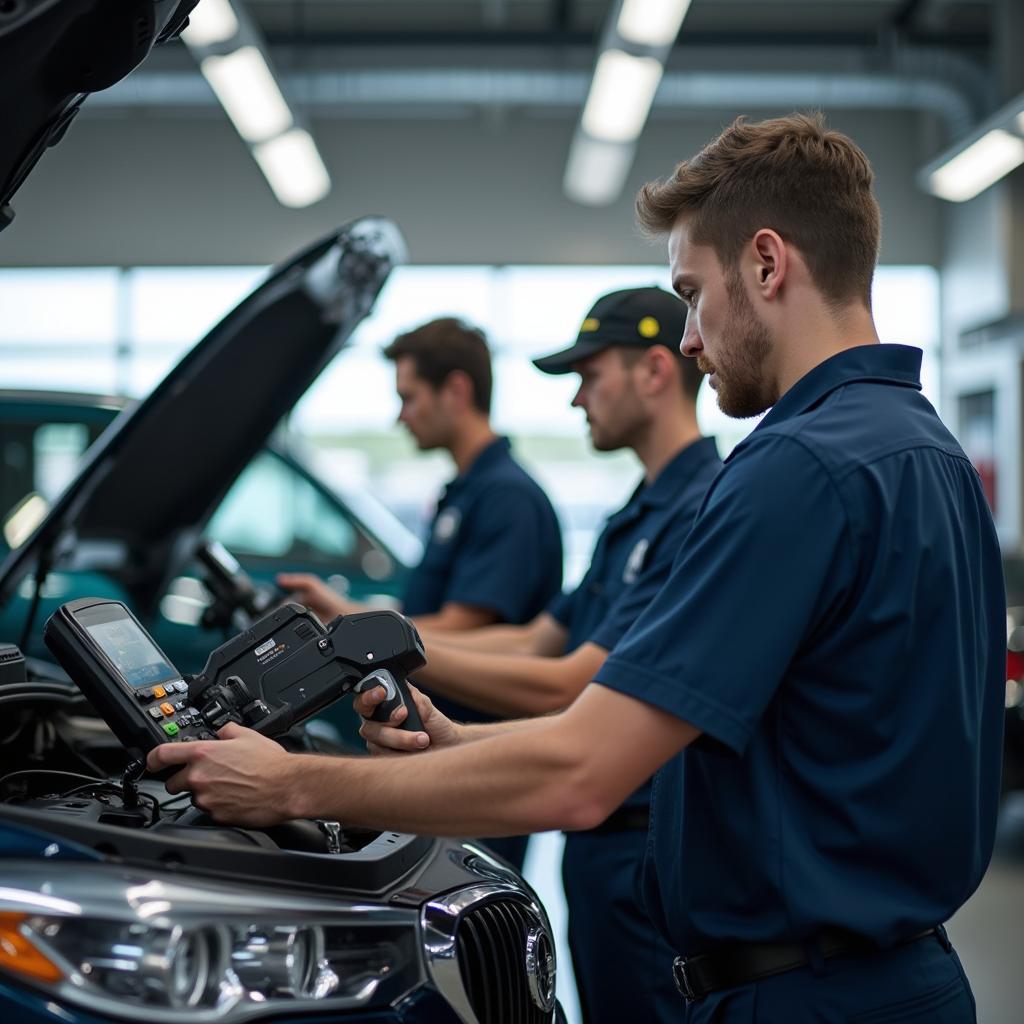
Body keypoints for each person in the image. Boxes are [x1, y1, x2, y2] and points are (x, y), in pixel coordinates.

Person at [150, 113, 1005, 1023]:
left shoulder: (797, 469)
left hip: (806, 997)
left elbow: (586, 772)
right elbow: (694, 737)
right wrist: (456, 745)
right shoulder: (924, 453)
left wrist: (292, 783)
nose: (687, 340)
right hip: (898, 978)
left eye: (691, 292)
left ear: (766, 263)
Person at [399, 286, 719, 1023]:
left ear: (653, 371)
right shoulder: (634, 515)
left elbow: (575, 682)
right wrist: (383, 634)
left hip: (640, 844)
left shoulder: (699, 510)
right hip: (599, 850)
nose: (578, 400)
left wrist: (398, 647)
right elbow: (539, 638)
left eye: (590, 375)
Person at [281, 316, 563, 868]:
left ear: (456, 391)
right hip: (437, 745)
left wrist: (355, 620)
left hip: (477, 752)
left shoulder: (507, 498)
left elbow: (472, 627)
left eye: (409, 397)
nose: (400, 414)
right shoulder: (464, 491)